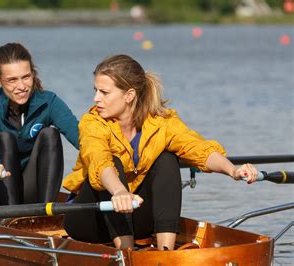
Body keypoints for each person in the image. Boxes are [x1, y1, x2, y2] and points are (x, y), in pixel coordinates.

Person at [62, 54, 259, 250]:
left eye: (104, 92)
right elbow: (99, 161)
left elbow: (198, 149)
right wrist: (120, 192)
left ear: (129, 95)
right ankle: (127, 254)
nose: (96, 98)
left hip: (136, 217)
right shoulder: (92, 122)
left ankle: (166, 253)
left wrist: (233, 170)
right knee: (113, 162)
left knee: (166, 159)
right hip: (90, 220)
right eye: (95, 90)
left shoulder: (161, 122)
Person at [0, 43, 79, 207]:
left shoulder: (48, 102)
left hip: (23, 187)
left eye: (26, 77)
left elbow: (80, 137)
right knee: (5, 138)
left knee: (50, 134)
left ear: (33, 74)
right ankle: (11, 216)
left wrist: (105, 155)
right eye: (12, 80)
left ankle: (44, 213)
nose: (21, 86)